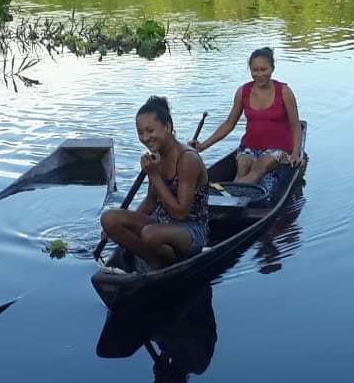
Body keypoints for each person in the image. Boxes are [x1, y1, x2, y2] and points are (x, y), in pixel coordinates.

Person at [100, 96, 209, 271]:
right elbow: (151, 201)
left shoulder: (187, 159)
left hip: (191, 230)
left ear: (167, 127)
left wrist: (155, 176)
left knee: (149, 234)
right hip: (161, 223)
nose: (145, 137)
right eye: (140, 132)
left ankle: (162, 259)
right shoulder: (157, 156)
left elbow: (181, 213)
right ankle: (156, 260)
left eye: (150, 131)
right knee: (110, 218)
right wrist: (120, 227)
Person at [189, 46, 304, 184]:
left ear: (272, 69)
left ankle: (232, 197)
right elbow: (229, 124)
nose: (259, 74)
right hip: (250, 145)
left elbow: (296, 126)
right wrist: (203, 146)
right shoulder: (242, 92)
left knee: (258, 168)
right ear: (250, 70)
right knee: (242, 169)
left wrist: (296, 153)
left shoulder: (285, 92)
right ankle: (232, 198)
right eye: (255, 70)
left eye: (264, 69)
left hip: (278, 148)